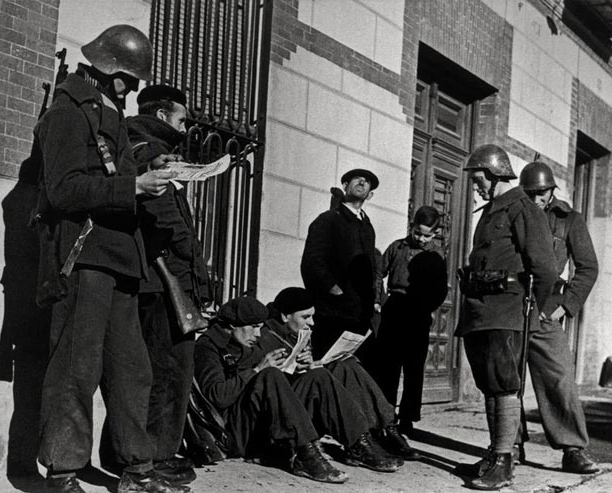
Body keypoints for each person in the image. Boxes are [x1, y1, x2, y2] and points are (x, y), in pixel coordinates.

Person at [34, 25, 187, 493]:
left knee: (132, 372)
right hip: (84, 258)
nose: (134, 87)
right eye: (129, 77)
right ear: (107, 68)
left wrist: (147, 173)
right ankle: (62, 473)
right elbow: (62, 190)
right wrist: (132, 186)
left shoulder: (109, 111)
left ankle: (136, 469)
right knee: (75, 370)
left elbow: (109, 179)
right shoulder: (68, 110)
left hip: (121, 258)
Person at [99, 84, 211, 485]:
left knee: (160, 369)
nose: (186, 126)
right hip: (163, 280)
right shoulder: (147, 149)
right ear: (163, 115)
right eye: (182, 118)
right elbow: (168, 222)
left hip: (160, 278)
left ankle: (147, 453)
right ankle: (152, 455)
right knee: (165, 370)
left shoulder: (144, 146)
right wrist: (201, 276)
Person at [194, 297, 403, 484]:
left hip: (258, 420)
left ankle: (358, 443)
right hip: (234, 430)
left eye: (261, 327)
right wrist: (258, 369)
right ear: (233, 325)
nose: (258, 334)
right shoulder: (209, 347)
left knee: (317, 376)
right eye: (254, 327)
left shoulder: (246, 341)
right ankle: (306, 453)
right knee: (270, 375)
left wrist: (297, 369)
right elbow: (216, 396)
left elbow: (268, 389)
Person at [455, 144, 558, 490]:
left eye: (478, 178)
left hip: (506, 310)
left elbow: (545, 268)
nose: (476, 186)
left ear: (496, 173)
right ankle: (494, 452)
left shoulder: (523, 209)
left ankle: (505, 458)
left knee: (504, 385)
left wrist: (532, 307)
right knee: (489, 384)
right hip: (480, 310)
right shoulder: (489, 211)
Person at [267, 286, 421, 461]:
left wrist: (310, 364)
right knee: (323, 374)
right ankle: (360, 440)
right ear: (284, 316)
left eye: (312, 316)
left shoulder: (296, 333)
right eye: (305, 317)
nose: (312, 323)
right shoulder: (267, 336)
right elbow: (273, 386)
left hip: (303, 402)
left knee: (345, 365)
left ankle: (385, 427)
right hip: (287, 417)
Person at [518, 161, 599, 474]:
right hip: (513, 304)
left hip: (547, 309)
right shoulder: (516, 213)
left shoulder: (569, 220)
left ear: (552, 190)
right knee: (508, 380)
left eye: (542, 192)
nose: (537, 199)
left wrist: (565, 306)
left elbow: (588, 267)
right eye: (531, 193)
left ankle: (573, 449)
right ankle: (509, 446)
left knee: (560, 379)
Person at [372, 206, 448, 436]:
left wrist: (427, 306)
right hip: (394, 308)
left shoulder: (437, 254)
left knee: (414, 368)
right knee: (388, 367)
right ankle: (386, 415)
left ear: (434, 234)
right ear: (412, 227)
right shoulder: (397, 247)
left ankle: (407, 418)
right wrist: (378, 299)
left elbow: (440, 289)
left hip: (418, 312)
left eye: (427, 235)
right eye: (418, 233)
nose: (421, 238)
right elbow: (378, 273)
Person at [301, 168, 381, 359]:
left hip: (360, 314)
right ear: (345, 186)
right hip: (332, 313)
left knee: (358, 371)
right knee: (328, 368)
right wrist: (333, 289)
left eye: (366, 181)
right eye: (357, 179)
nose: (362, 182)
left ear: (370, 195)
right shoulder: (328, 219)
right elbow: (312, 262)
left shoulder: (367, 226)